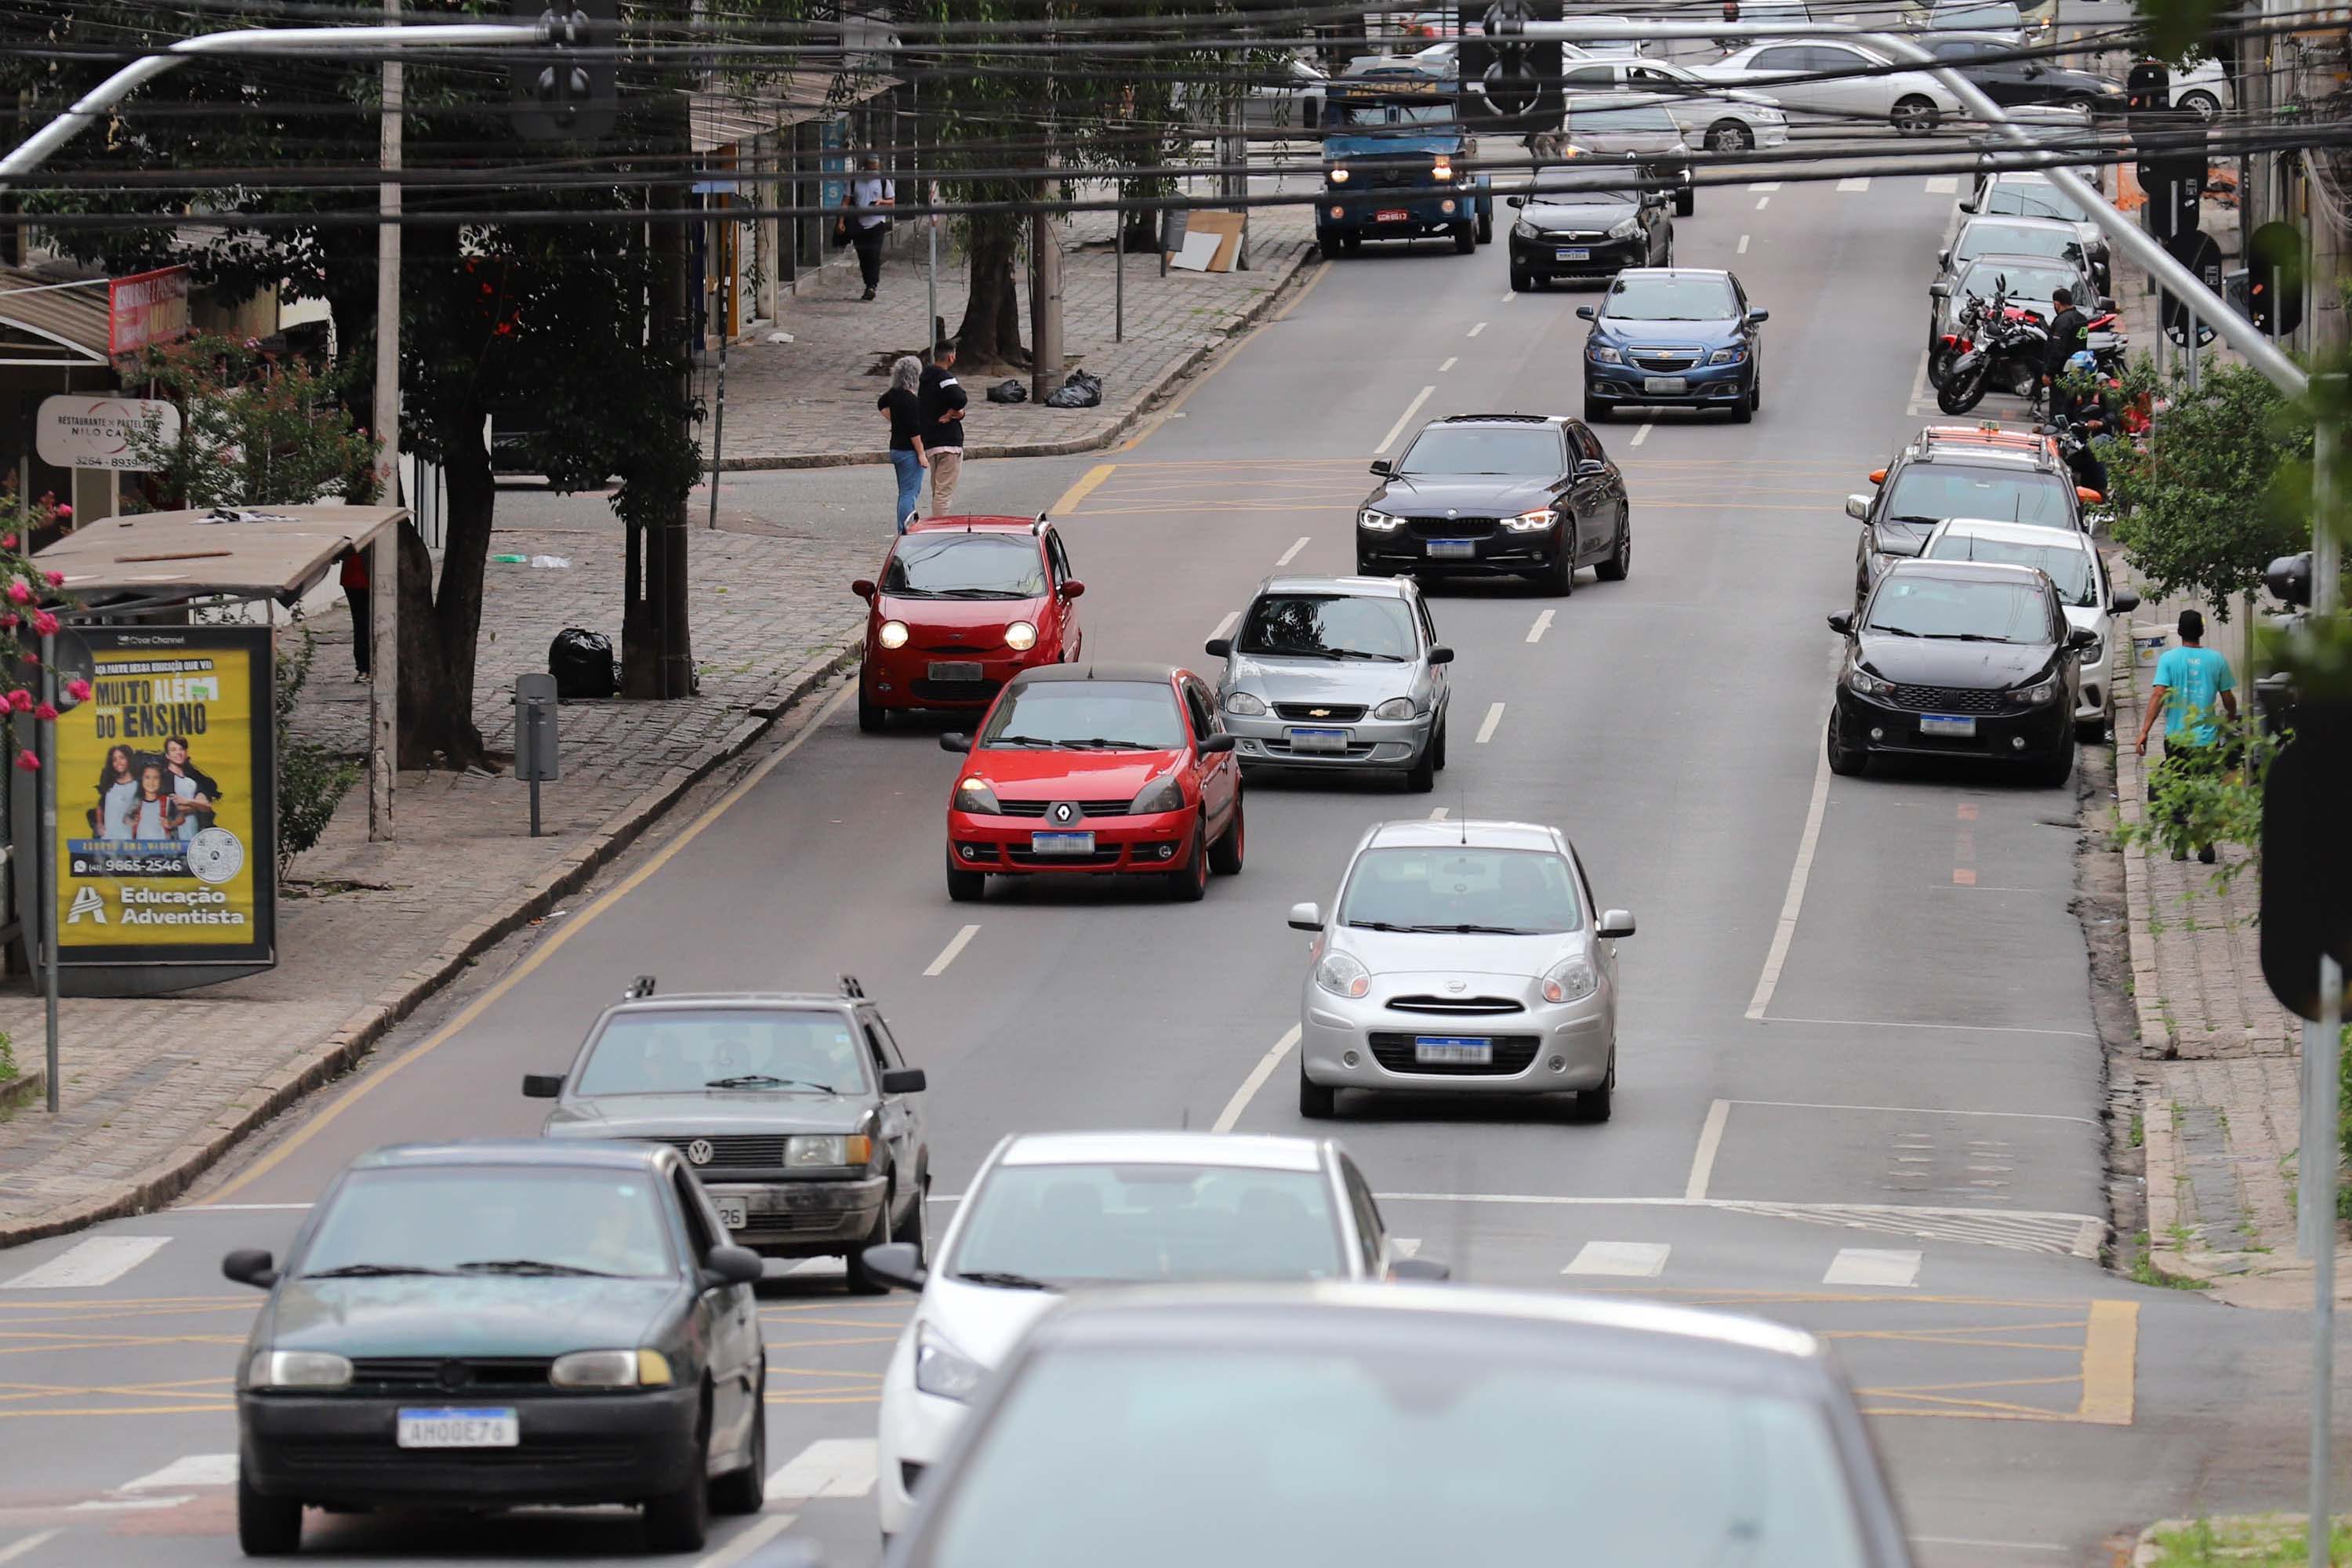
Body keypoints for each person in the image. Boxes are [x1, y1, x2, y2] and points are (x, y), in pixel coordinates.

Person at [2134, 608, 2239, 865]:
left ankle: (2181, 847)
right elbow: (2228, 700)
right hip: (2206, 741)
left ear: (2179, 632)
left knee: (2178, 791)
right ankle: (2205, 844)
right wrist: (2230, 717)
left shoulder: (2169, 660)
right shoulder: (2217, 660)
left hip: (2177, 741)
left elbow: (2158, 695)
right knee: (2204, 791)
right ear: (2201, 632)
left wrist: (2144, 731)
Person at [877, 354, 928, 532]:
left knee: (904, 492)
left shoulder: (893, 394)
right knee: (910, 493)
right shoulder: (911, 401)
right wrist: (921, 453)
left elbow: (880, 404)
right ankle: (906, 528)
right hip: (908, 451)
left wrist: (895, 421)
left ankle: (904, 526)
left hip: (896, 448)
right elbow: (914, 431)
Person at [920, 343, 968, 515]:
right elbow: (960, 398)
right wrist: (954, 413)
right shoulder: (945, 377)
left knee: (937, 490)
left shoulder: (924, 378)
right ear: (951, 357)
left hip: (931, 441)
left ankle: (936, 523)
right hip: (948, 440)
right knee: (944, 493)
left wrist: (955, 412)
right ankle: (939, 528)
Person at [848, 154, 895, 303]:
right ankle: (867, 283)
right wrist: (841, 221)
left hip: (877, 224)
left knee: (874, 255)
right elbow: (846, 201)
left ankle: (872, 286)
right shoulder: (855, 181)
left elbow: (892, 202)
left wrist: (882, 201)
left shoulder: (883, 182)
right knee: (863, 256)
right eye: (870, 169)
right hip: (859, 225)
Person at [163, 735, 219, 839]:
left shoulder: (193, 780)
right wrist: (197, 805)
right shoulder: (164, 778)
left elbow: (206, 807)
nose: (178, 753)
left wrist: (187, 801)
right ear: (167, 755)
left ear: (186, 752)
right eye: (173, 750)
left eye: (181, 749)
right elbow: (176, 808)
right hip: (173, 839)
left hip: (194, 837)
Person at [2042, 286, 2089, 389]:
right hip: (2078, 370)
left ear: (2057, 304)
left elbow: (2057, 350)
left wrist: (2048, 372)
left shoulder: (2063, 321)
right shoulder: (2082, 318)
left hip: (2062, 373)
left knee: (2059, 402)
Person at [340, 546, 371, 679]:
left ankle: (364, 668)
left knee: (361, 624)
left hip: (354, 578)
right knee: (363, 624)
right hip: (359, 579)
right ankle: (365, 667)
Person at [90, 744, 133, 836]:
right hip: (110, 840)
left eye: (122, 758)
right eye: (114, 760)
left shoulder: (139, 784)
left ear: (129, 759)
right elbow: (101, 806)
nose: (118, 762)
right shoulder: (110, 784)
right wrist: (99, 824)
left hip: (131, 840)